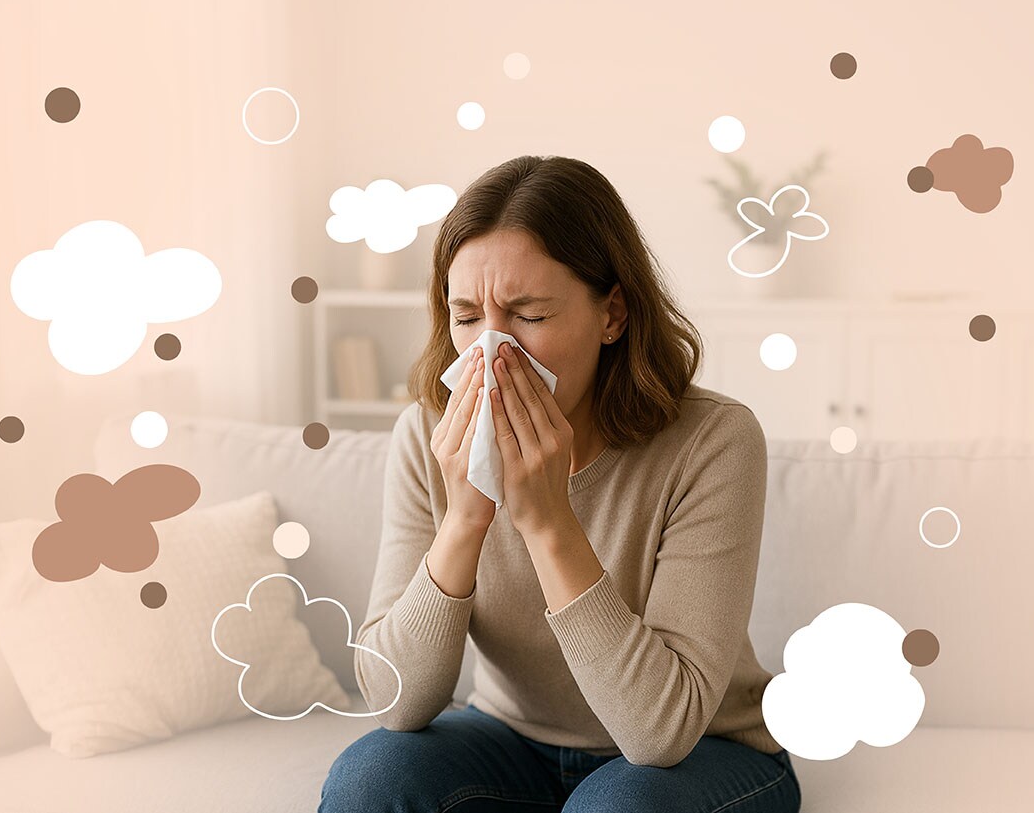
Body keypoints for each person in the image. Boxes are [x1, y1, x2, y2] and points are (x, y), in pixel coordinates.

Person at [319, 154, 800, 812]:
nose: (491, 351)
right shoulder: (425, 437)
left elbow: (659, 732)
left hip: (702, 749)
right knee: (370, 777)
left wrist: (548, 523)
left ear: (612, 314)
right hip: (510, 737)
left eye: (529, 315)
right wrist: (463, 521)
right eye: (466, 317)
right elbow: (395, 700)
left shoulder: (713, 441)